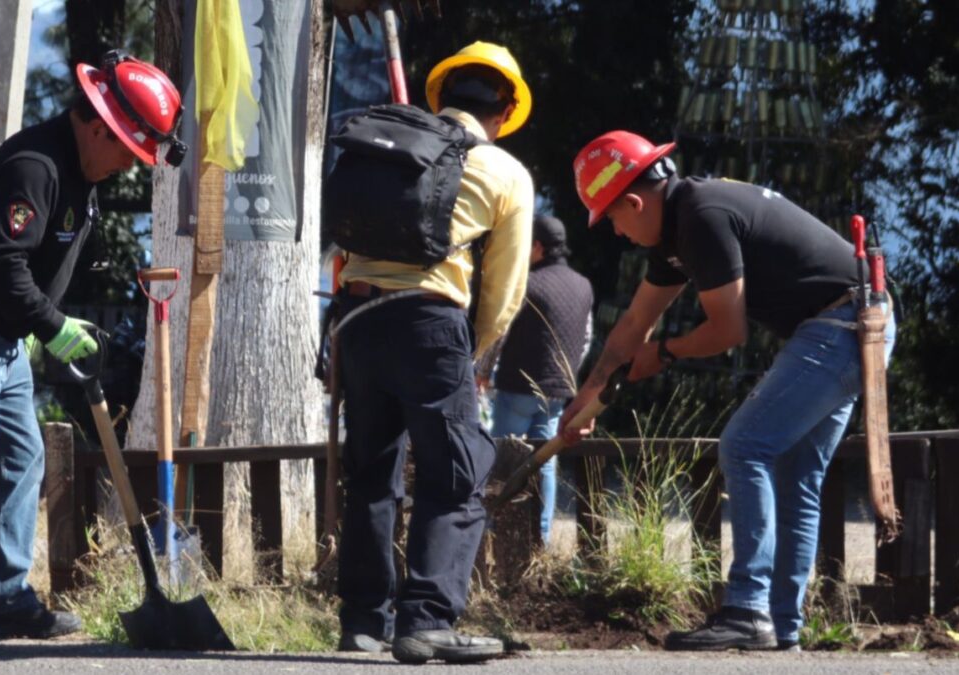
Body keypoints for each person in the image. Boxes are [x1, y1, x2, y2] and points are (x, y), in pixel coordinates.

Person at [563, 130, 896, 652]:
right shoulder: (678, 226)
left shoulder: (702, 217)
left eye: (613, 220)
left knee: (745, 445)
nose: (618, 232)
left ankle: (747, 610)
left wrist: (666, 353)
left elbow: (727, 333)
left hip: (845, 325)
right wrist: (587, 400)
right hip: (854, 321)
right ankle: (783, 626)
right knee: (795, 472)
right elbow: (634, 323)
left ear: (633, 200)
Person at [0, 50, 186, 654]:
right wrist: (53, 326)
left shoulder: (78, 173)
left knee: (21, 458)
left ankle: (5, 598)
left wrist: (54, 321)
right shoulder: (37, 167)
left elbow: (33, 267)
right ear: (97, 127)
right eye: (125, 152)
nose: (124, 169)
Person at [332, 41, 534, 664]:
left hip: (356, 319)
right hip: (430, 326)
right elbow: (504, 290)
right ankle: (426, 621)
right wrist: (473, 354)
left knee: (370, 473)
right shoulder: (502, 170)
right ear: (504, 108)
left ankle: (363, 621)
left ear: (440, 96)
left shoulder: (384, 143)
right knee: (454, 477)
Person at [478, 215, 593, 544]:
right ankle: (539, 535)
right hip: (558, 392)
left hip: (517, 386)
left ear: (538, 247)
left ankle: (496, 531)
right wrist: (566, 374)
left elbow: (500, 331)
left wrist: (483, 372)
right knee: (544, 461)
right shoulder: (583, 285)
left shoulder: (525, 283)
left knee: (504, 457)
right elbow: (585, 339)